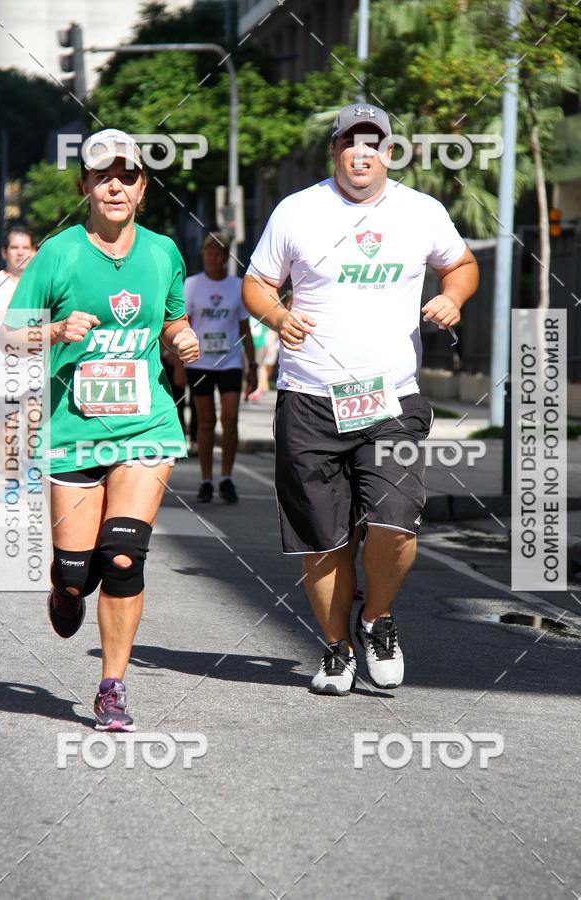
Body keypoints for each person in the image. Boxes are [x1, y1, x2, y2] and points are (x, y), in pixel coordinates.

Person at [243, 103, 479, 696]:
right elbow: (257, 282)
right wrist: (276, 314)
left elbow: (462, 264)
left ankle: (376, 618)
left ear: (390, 153)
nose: (360, 153)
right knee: (323, 539)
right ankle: (335, 646)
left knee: (395, 526)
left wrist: (454, 297)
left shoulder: (421, 211)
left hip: (390, 400)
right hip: (309, 397)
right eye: (350, 142)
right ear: (335, 151)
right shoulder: (297, 210)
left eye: (373, 144)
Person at [3, 128, 199, 730]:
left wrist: (180, 338)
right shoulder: (57, 254)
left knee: (122, 557)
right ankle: (65, 589)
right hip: (73, 431)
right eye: (102, 175)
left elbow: (173, 321)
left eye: (128, 176)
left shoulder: (164, 252)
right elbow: (12, 336)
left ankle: (112, 685)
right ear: (84, 185)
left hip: (145, 425)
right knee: (76, 571)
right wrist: (56, 333)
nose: (116, 185)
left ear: (143, 187)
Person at [184, 233, 257, 503]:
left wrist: (253, 365)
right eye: (211, 253)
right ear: (204, 255)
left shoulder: (237, 286)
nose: (216, 258)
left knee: (230, 417)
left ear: (227, 257)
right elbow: (184, 323)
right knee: (205, 421)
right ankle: (205, 480)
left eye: (221, 254)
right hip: (200, 361)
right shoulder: (192, 285)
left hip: (230, 361)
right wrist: (179, 363)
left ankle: (226, 477)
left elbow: (244, 328)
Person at [0, 227, 35, 451]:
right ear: (4, 252)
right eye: (15, 248)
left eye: (25, 248)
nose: (20, 253)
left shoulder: (40, 283)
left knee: (35, 431)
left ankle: (33, 478)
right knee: (9, 439)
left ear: (33, 251)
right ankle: (12, 482)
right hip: (2, 372)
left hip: (36, 370)